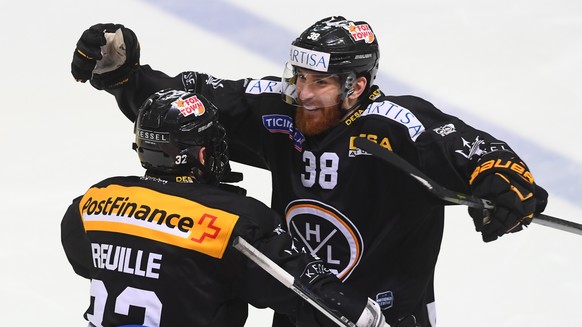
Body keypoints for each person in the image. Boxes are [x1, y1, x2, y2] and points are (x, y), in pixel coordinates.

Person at [70, 17, 548, 327]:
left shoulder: (400, 126)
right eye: (299, 77)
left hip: (386, 316)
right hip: (304, 303)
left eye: (319, 83)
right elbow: (195, 107)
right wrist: (126, 76)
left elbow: (484, 154)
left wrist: (506, 188)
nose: (303, 92)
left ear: (356, 86)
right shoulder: (279, 111)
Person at [60, 89, 389, 327]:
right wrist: (368, 317)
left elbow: (87, 258)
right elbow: (309, 297)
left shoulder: (97, 200)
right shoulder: (232, 221)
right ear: (202, 154)